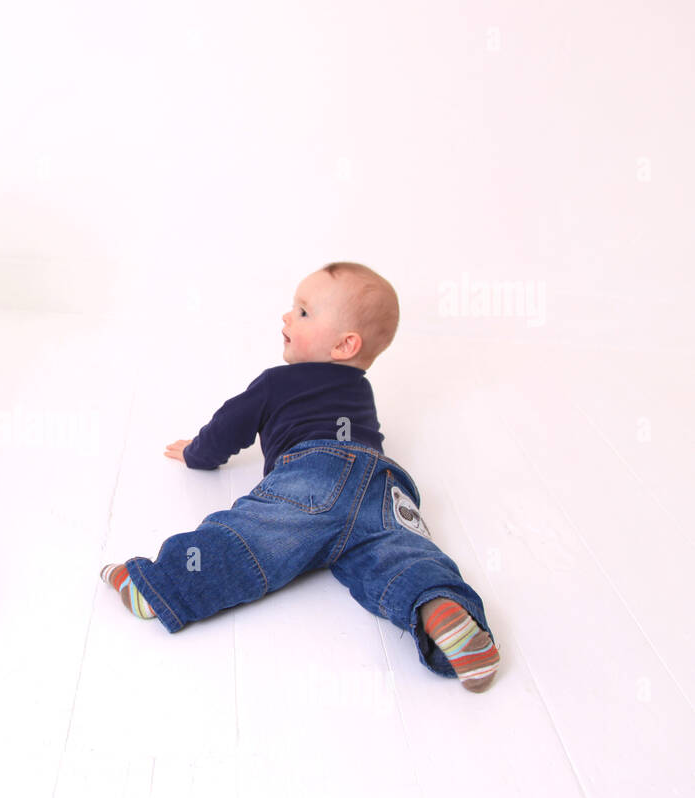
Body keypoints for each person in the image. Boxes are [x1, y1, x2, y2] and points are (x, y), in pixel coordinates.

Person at [100, 262, 499, 692]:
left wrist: (198, 454)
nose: (287, 317)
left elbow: (228, 427)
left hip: (315, 472)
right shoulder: (361, 389)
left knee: (252, 537)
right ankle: (440, 607)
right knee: (399, 554)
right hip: (385, 487)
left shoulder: (276, 383)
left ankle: (162, 586)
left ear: (346, 344)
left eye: (304, 312)